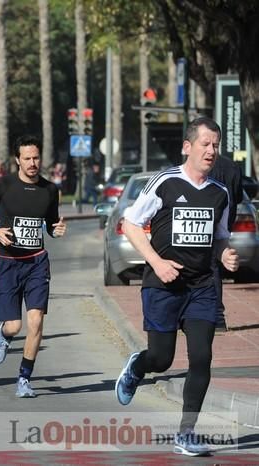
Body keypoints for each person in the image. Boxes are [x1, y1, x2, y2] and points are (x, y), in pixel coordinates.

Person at [115, 117, 239, 457]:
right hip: (163, 285)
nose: (211, 151)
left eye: (216, 145)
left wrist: (225, 255)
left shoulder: (220, 193)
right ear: (188, 147)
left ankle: (186, 433)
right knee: (162, 358)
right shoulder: (165, 182)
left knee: (202, 358)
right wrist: (156, 262)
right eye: (205, 144)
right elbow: (130, 225)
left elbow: (220, 239)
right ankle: (137, 367)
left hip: (201, 286)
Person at [0, 135, 67, 398]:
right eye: (26, 158)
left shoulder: (50, 190)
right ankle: (5, 335)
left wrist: (56, 229)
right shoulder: (3, 185)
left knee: (36, 321)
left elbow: (51, 225)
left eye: (36, 158)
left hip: (37, 262)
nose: (32, 163)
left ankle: (24, 379)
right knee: (15, 325)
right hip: (7, 262)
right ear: (17, 159)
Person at [208, 153, 243, 331]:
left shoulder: (204, 165)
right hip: (226, 219)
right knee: (214, 265)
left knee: (210, 266)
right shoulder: (232, 167)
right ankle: (217, 317)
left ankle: (216, 317)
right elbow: (238, 196)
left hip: (208, 218)